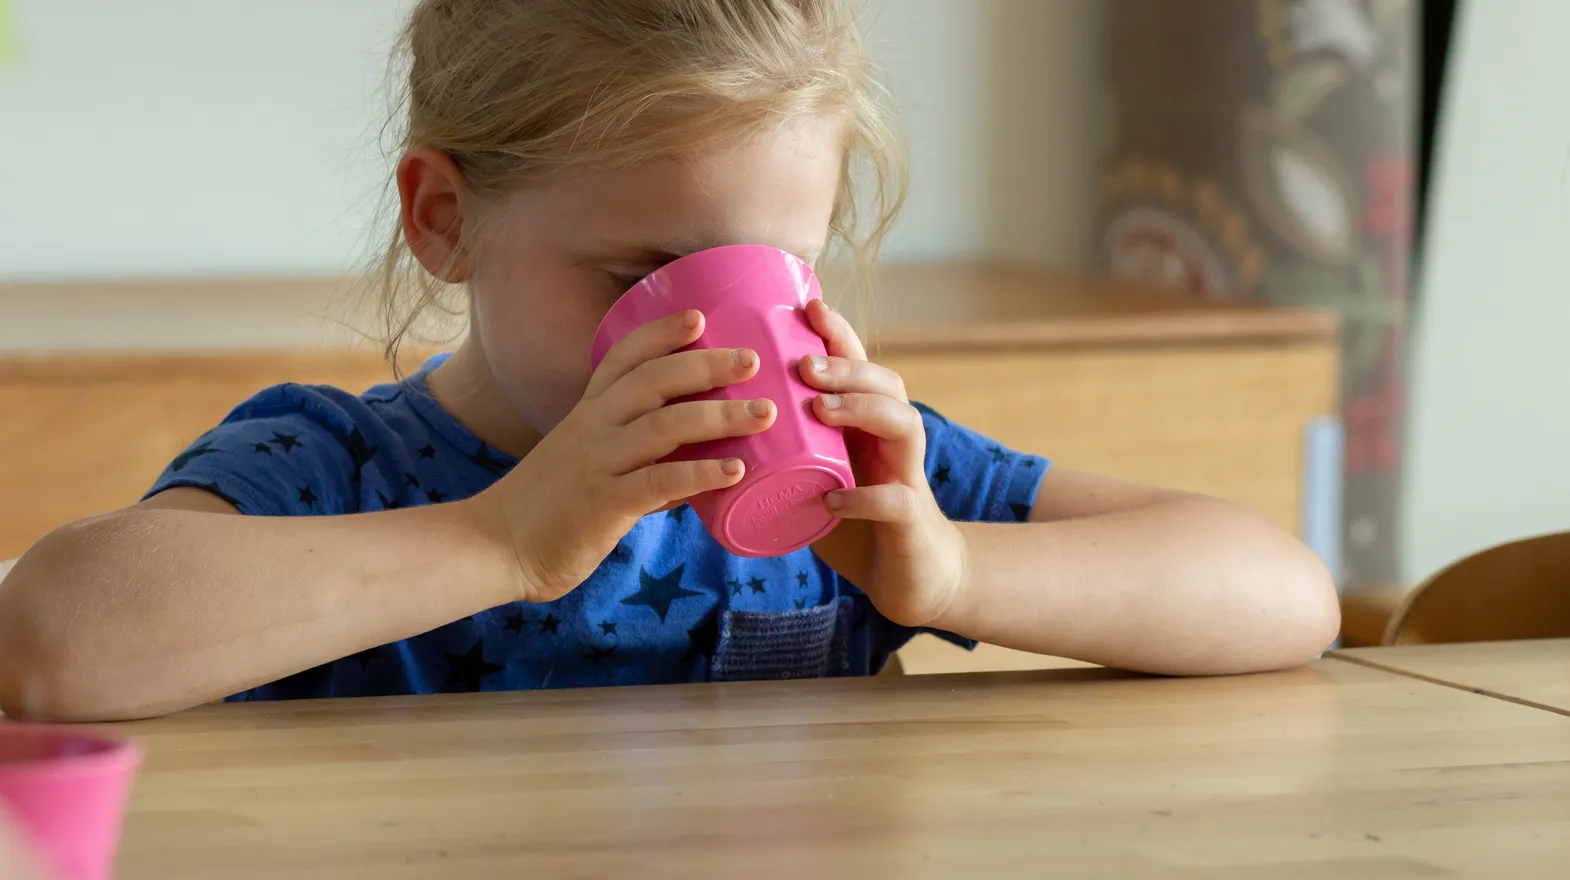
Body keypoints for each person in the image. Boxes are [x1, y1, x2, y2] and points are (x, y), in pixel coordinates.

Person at [0, 0, 1338, 722]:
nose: (712, 336)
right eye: (642, 277)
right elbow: (50, 641)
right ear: (444, 221)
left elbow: (1285, 597)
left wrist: (957, 566)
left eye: (776, 276)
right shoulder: (337, 472)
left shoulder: (864, 489)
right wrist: (503, 539)